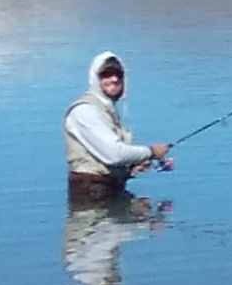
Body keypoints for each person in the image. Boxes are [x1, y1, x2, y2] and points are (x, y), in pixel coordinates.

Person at [65, 52, 173, 198]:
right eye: (106, 74)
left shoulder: (106, 110)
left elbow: (109, 159)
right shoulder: (84, 111)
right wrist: (151, 151)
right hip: (91, 195)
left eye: (118, 74)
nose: (114, 79)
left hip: (107, 193)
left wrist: (132, 168)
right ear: (95, 78)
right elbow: (114, 154)